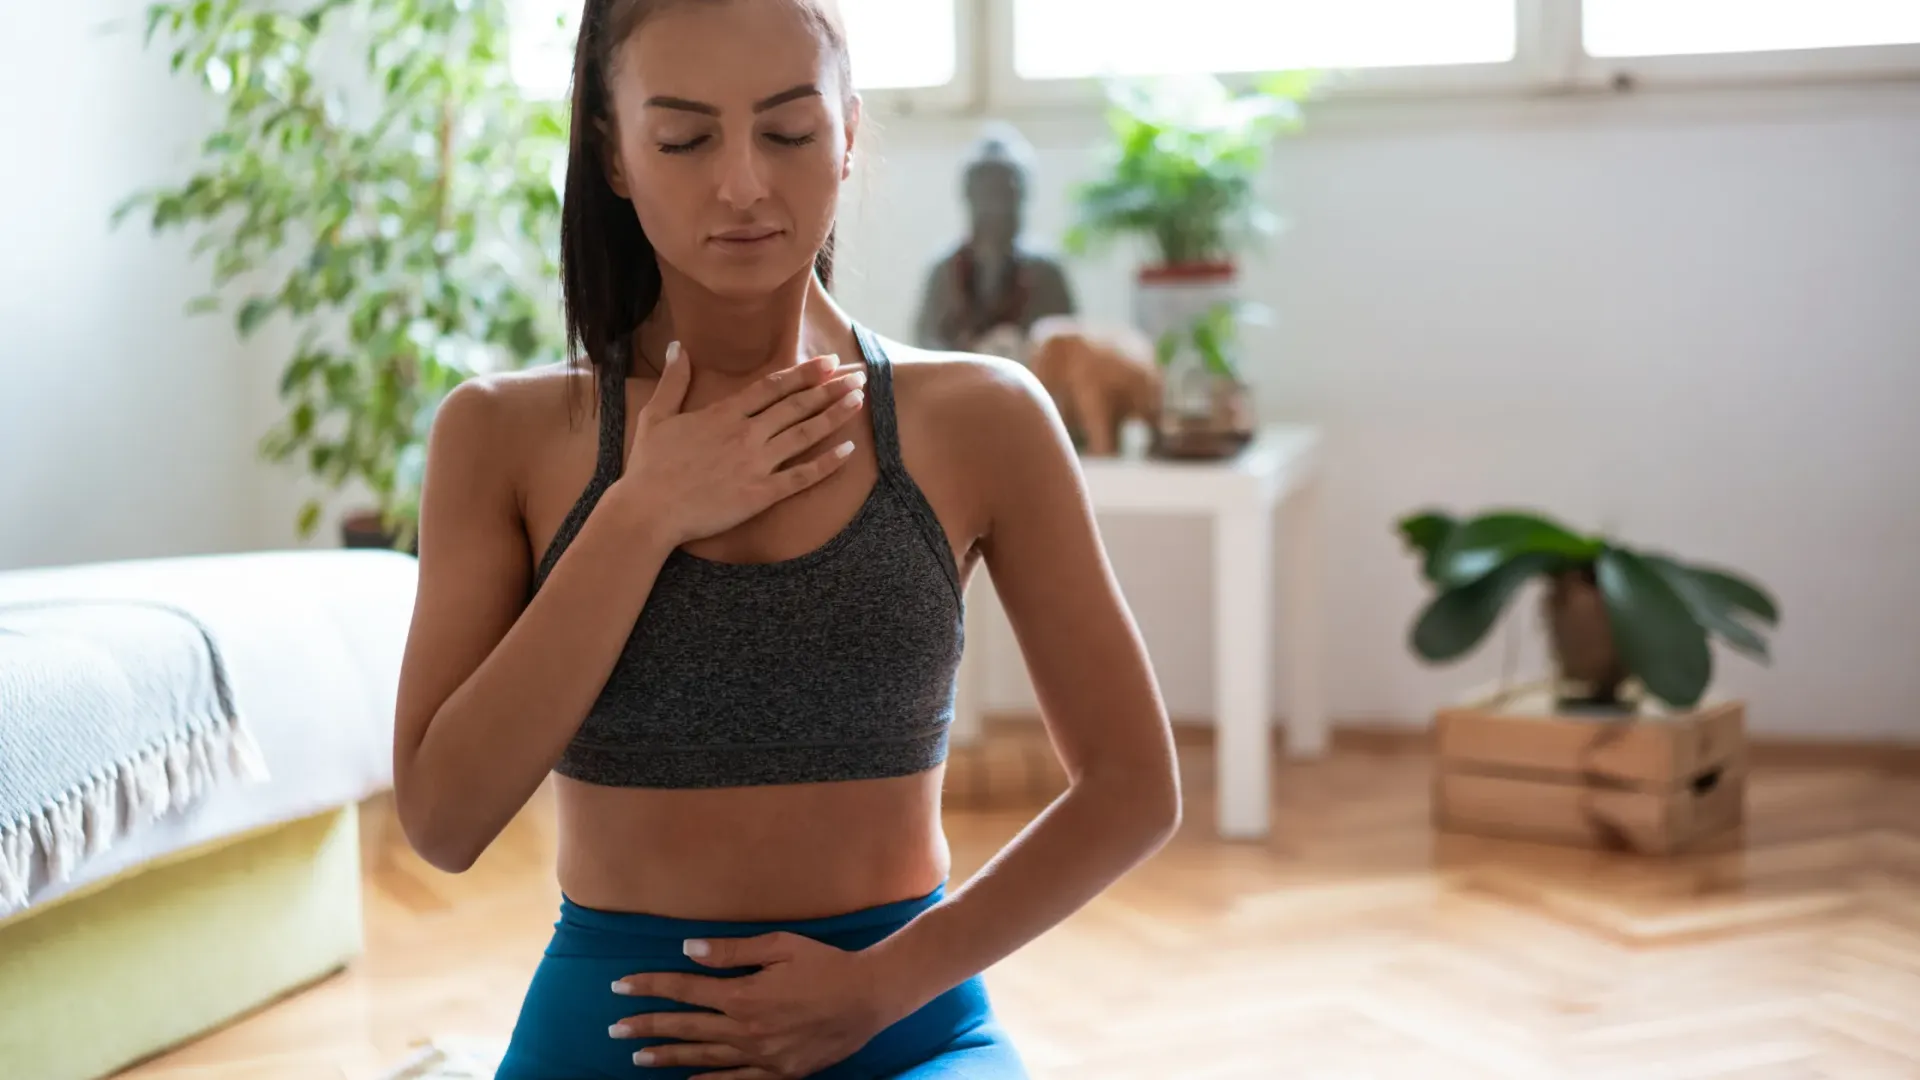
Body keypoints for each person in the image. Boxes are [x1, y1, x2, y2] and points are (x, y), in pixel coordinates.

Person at [391, 1, 1180, 1076]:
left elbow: (1135, 786)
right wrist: (642, 513)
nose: (744, 185)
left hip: (906, 1024)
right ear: (613, 152)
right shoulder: (503, 434)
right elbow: (443, 819)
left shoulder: (982, 418)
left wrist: (878, 990)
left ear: (849, 133)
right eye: (684, 137)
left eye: (788, 131)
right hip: (615, 1031)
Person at [912, 123, 1077, 359]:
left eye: (1006, 194)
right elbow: (925, 343)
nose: (998, 209)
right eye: (988, 193)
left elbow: (1068, 348)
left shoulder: (1046, 271)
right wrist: (970, 352)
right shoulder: (945, 270)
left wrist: (1024, 347)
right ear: (969, 197)